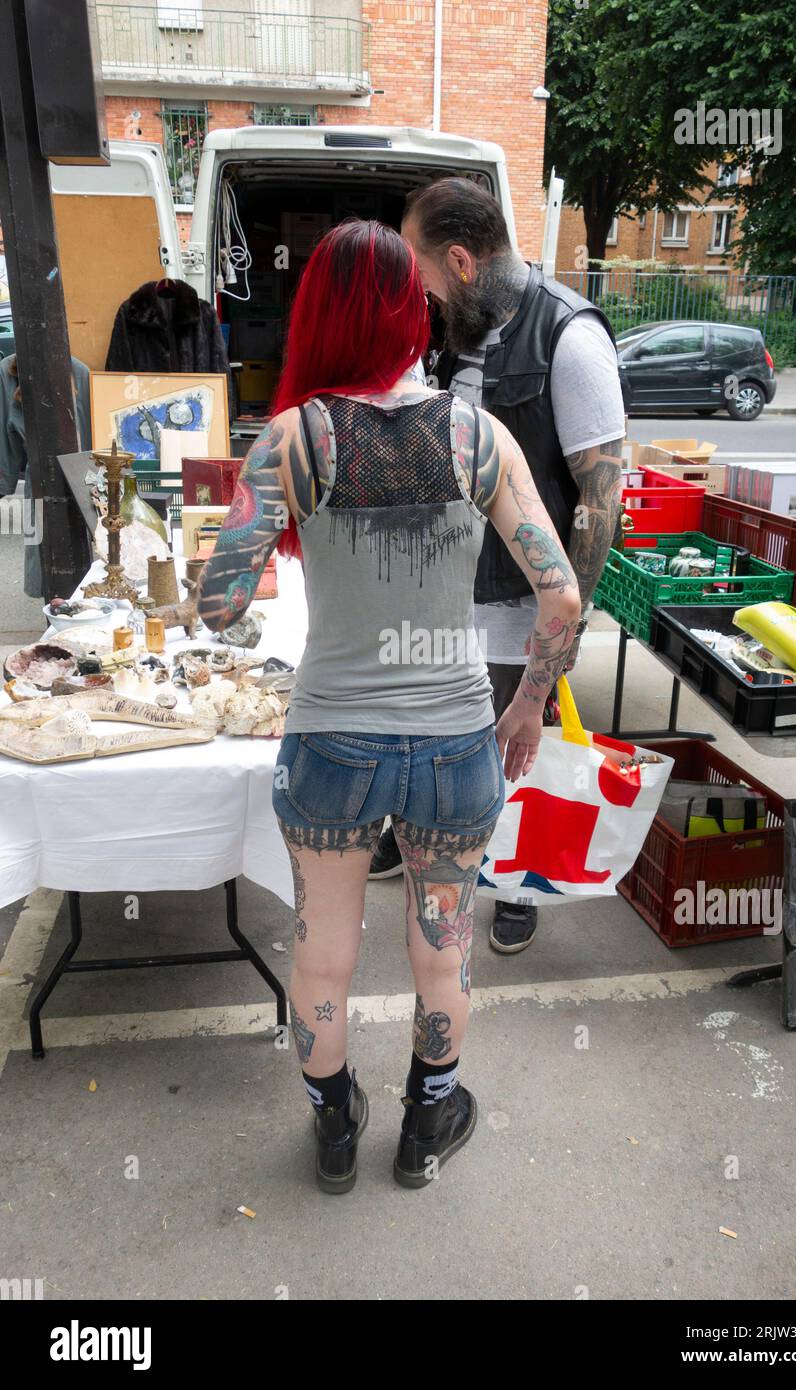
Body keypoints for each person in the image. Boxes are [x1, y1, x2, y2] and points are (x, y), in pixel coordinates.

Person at [197, 219, 583, 1194]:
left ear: (317, 314)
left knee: (321, 951)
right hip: (454, 742)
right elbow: (562, 595)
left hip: (328, 739)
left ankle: (334, 1128)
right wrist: (528, 702)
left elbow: (216, 599)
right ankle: (426, 1119)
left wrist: (242, 502)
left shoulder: (291, 439)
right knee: (441, 944)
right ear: (412, 312)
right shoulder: (474, 435)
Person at [368, 179, 625, 958]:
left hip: (520, 605)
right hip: (443, 592)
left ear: (460, 260)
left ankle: (516, 882)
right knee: (435, 741)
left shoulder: (568, 338)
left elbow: (600, 502)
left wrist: (555, 654)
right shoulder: (458, 329)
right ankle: (421, 842)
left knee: (515, 750)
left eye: (424, 275)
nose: (421, 294)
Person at [0, 353, 92, 599]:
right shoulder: (6, 372)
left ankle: (75, 597)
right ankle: (50, 598)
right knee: (39, 542)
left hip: (75, 473)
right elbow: (4, 432)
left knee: (75, 546)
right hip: (46, 473)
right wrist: (4, 480)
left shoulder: (80, 371)